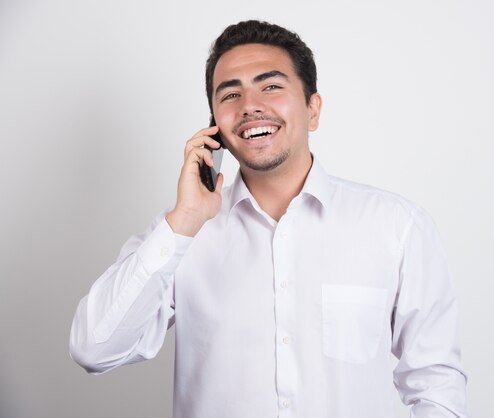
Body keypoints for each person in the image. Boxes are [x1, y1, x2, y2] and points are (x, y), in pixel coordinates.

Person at [69, 20, 470, 418]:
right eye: (230, 94)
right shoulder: (181, 235)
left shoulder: (396, 227)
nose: (249, 106)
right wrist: (184, 221)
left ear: (313, 110)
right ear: (215, 128)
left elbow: (436, 384)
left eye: (271, 86)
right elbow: (94, 349)